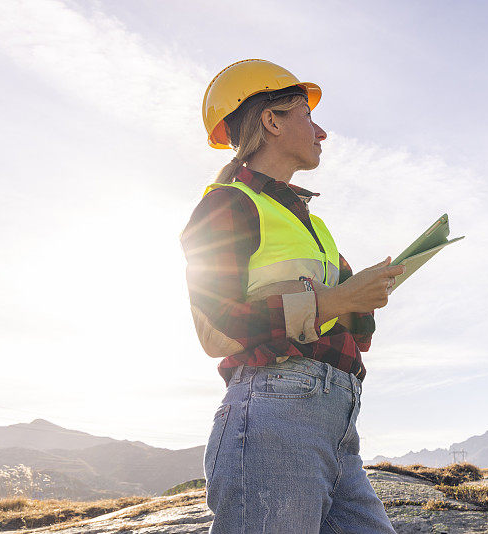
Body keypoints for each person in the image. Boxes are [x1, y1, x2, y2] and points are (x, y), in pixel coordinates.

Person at [180, 59, 404, 533]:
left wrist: (363, 295)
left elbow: (355, 327)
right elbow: (216, 329)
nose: (321, 132)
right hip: (275, 414)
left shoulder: (312, 221)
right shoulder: (226, 204)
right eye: (307, 115)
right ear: (271, 120)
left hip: (338, 420)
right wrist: (335, 302)